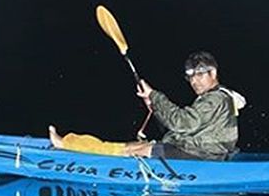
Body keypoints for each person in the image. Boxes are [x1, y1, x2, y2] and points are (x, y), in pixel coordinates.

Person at [49, 51, 246, 161]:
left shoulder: (216, 99)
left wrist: (154, 95)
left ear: (213, 73)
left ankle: (68, 146)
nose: (194, 81)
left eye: (200, 75)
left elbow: (182, 123)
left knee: (137, 150)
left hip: (206, 157)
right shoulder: (213, 98)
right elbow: (179, 127)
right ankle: (69, 143)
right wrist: (154, 105)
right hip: (197, 150)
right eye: (191, 77)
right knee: (132, 146)